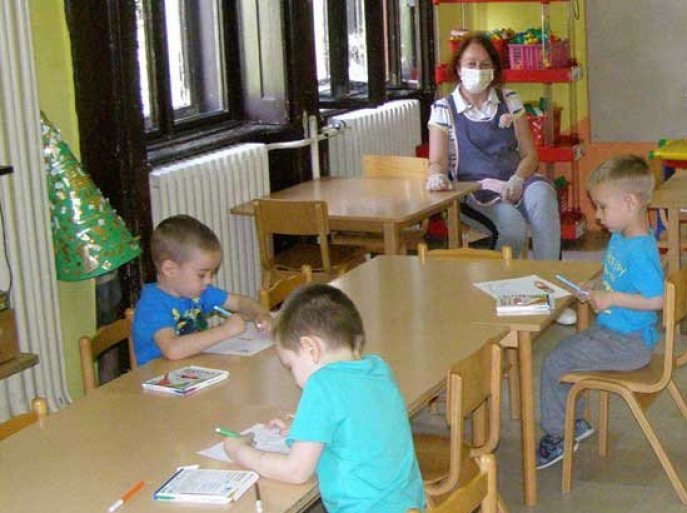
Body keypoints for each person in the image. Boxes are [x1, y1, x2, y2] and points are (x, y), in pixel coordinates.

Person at [224, 284, 426, 513]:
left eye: (290, 366)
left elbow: (295, 472)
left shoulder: (322, 385)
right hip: (410, 506)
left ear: (311, 348)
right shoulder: (377, 369)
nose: (294, 380)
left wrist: (240, 451)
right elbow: (361, 422)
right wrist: (306, 428)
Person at [427, 32, 574, 324]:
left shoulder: (509, 99)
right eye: (471, 63)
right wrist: (435, 176)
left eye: (484, 64)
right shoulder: (444, 108)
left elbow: (530, 155)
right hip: (475, 190)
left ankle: (550, 293)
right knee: (513, 227)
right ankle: (504, 294)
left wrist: (518, 179)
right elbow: (437, 161)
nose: (478, 70)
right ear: (458, 67)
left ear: (494, 69)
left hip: (515, 179)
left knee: (544, 196)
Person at [535, 155, 665, 469]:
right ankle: (574, 422)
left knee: (555, 362)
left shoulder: (640, 249)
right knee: (567, 353)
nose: (597, 215)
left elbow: (657, 299)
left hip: (629, 342)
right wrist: (595, 286)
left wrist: (612, 298)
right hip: (615, 332)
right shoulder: (621, 238)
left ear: (630, 202)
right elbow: (617, 279)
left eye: (603, 207)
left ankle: (560, 434)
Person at [132, 215, 273, 366]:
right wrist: (224, 331)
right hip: (159, 376)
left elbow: (240, 302)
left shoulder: (198, 292)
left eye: (212, 274)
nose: (208, 281)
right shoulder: (152, 304)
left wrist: (260, 315)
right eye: (201, 275)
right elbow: (172, 350)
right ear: (170, 269)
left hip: (192, 368)